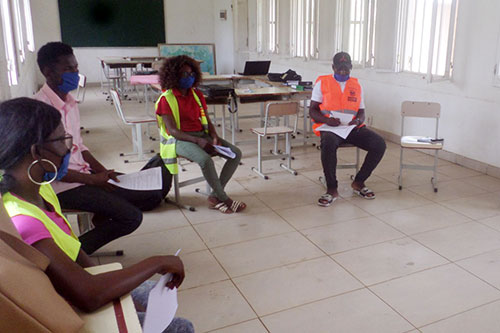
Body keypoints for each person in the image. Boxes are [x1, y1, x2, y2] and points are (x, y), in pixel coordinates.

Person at [0, 98, 194, 332]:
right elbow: (88, 295)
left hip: (77, 287)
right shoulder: (22, 221)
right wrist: (157, 261)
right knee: (181, 327)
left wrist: (113, 288)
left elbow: (74, 251)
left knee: (152, 294)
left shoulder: (40, 188)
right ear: (37, 151)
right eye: (62, 139)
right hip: (66, 308)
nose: (69, 148)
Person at [34, 41, 166, 254]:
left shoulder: (70, 102)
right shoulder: (41, 111)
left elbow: (80, 145)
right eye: (68, 69)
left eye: (76, 68)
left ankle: (100, 215)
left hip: (85, 174)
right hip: (62, 186)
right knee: (132, 216)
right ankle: (72, 254)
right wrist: (93, 180)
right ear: (47, 71)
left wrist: (102, 171)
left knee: (150, 194)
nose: (75, 74)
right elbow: (50, 169)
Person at [156, 55, 246, 214]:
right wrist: (198, 141)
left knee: (235, 154)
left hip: (200, 135)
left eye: (191, 74)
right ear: (173, 76)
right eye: (184, 74)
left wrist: (214, 135)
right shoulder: (166, 98)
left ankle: (214, 196)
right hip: (179, 140)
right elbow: (173, 131)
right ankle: (224, 198)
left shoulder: (196, 95)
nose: (189, 78)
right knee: (205, 160)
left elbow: (205, 118)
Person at [309, 52, 386, 207]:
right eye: (339, 69)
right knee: (328, 143)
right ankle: (331, 188)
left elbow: (362, 111)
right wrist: (327, 120)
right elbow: (312, 110)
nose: (343, 72)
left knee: (379, 144)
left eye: (346, 69)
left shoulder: (356, 85)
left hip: (350, 128)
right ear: (333, 67)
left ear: (351, 67)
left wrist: (358, 121)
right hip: (329, 127)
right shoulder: (322, 83)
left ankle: (359, 182)